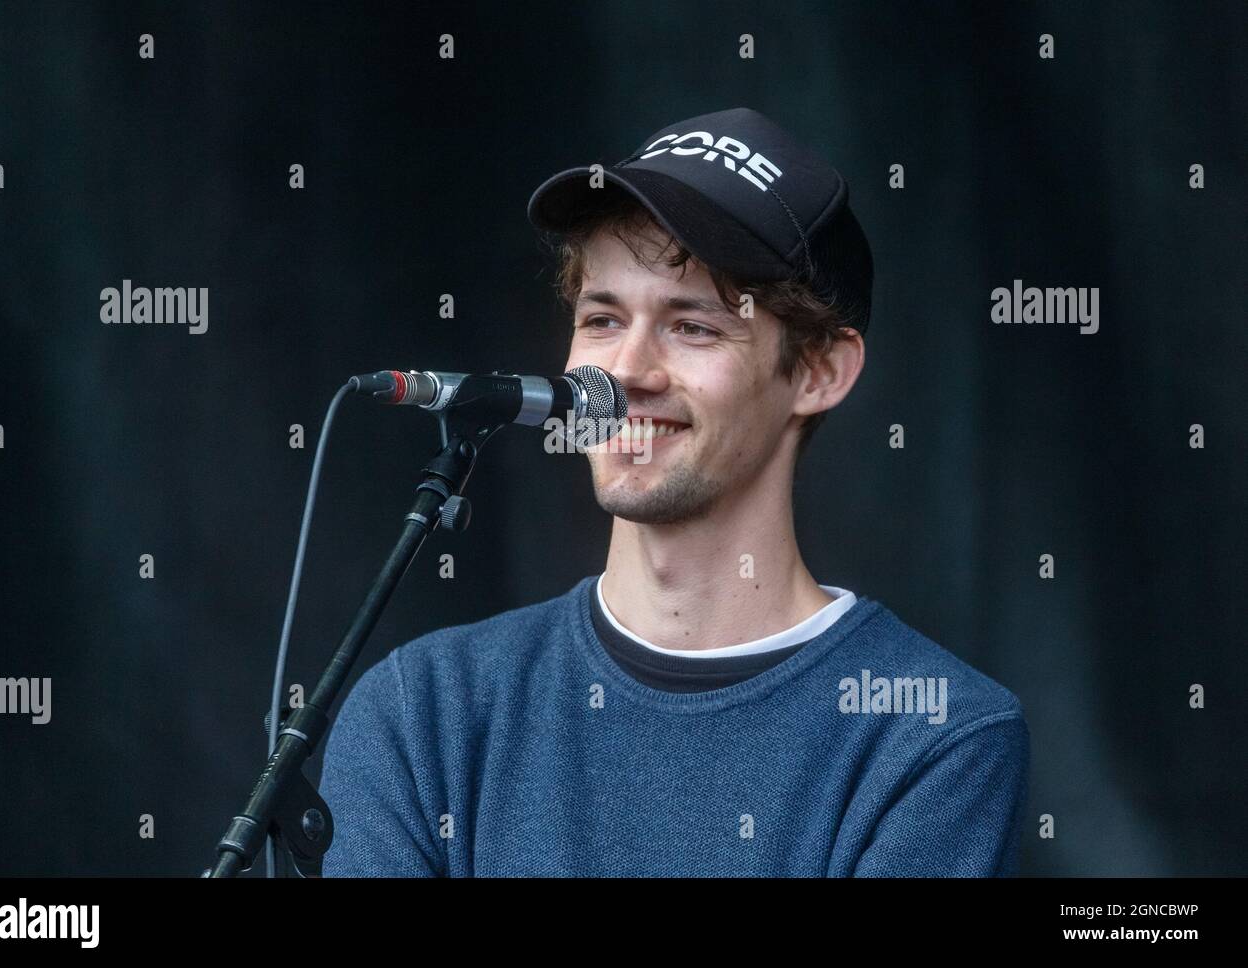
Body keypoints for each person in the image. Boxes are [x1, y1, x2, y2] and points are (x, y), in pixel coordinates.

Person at [319, 108, 1030, 876]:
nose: (626, 371)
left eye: (692, 326)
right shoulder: (422, 711)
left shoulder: (935, 731)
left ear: (820, 371)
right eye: (602, 318)